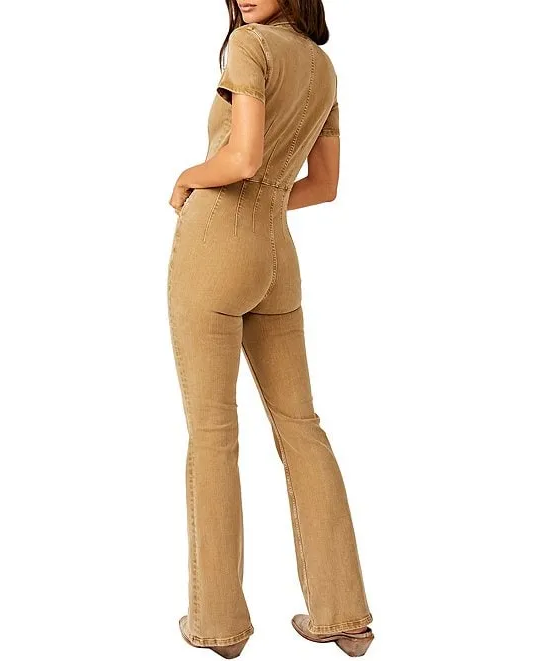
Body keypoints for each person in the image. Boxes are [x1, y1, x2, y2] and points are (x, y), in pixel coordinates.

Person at [167, 1, 373, 657]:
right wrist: (268, 200)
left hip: (215, 249)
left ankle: (219, 625)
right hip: (276, 255)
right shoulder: (322, 67)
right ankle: (344, 615)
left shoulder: (248, 46)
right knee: (301, 426)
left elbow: (243, 157)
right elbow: (325, 184)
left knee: (212, 433)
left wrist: (186, 179)